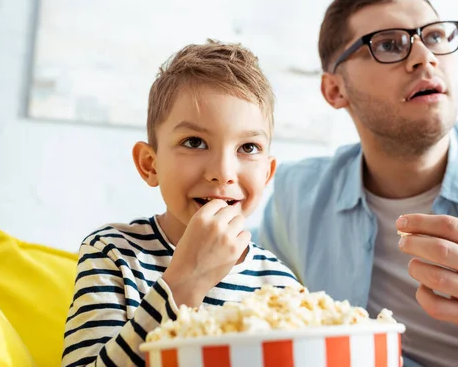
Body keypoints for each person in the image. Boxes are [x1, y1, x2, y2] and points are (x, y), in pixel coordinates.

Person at [258, 0, 458, 367]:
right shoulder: (294, 200)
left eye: (435, 37)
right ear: (335, 90)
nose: (425, 57)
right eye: (389, 45)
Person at [61, 40, 300, 366]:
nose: (223, 173)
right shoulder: (114, 255)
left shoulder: (282, 287)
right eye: (195, 142)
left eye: (248, 147)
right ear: (150, 164)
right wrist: (186, 282)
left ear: (268, 173)